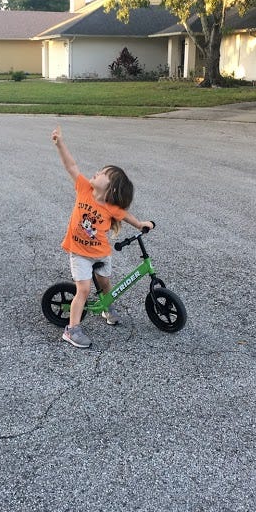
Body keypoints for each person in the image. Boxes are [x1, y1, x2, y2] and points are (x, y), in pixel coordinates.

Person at [51, 126, 153, 348]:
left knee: (106, 285)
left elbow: (125, 215)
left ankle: (107, 307)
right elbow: (71, 166)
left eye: (103, 173)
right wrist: (60, 144)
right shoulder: (84, 189)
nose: (97, 172)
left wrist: (141, 224)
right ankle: (72, 330)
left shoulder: (111, 206)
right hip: (80, 253)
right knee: (85, 290)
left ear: (111, 189)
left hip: (100, 253)